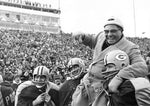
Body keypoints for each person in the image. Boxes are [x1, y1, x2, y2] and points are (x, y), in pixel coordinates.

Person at [71, 16, 148, 106]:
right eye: (107, 31)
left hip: (103, 88)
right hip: (87, 83)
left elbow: (142, 67)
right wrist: (83, 37)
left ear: (121, 31)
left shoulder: (130, 47)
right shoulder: (101, 36)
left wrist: (120, 77)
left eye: (113, 31)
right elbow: (92, 41)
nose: (109, 34)